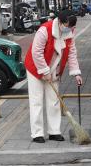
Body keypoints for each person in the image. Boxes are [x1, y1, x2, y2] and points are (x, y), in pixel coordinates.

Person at [24, 10, 83, 143]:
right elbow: (36, 52)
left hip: (54, 70)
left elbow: (72, 53)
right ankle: (37, 133)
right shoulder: (45, 30)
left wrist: (76, 73)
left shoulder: (69, 32)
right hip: (35, 68)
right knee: (36, 100)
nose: (71, 30)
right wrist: (44, 72)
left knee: (54, 100)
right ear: (61, 23)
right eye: (68, 26)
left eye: (72, 27)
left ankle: (54, 131)